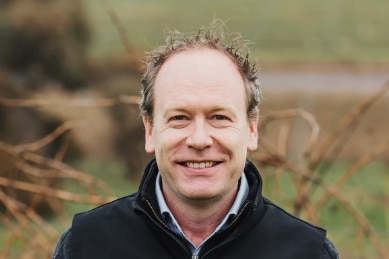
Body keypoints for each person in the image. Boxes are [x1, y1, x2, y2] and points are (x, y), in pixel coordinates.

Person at [53, 21, 339, 259]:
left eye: (219, 117)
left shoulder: (309, 252)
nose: (199, 139)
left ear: (252, 129)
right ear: (149, 130)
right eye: (179, 118)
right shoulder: (85, 245)